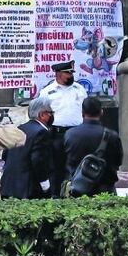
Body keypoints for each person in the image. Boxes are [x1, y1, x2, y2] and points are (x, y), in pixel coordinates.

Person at [37, 60, 87, 197]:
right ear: (58, 74)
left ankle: (77, 195)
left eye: (71, 73)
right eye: (68, 73)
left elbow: (85, 109)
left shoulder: (79, 89)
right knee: (56, 167)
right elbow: (41, 113)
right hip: (57, 134)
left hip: (77, 133)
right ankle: (56, 196)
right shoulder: (47, 92)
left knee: (78, 166)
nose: (71, 76)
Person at [64, 97, 123, 195]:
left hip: (77, 189)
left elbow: (65, 161)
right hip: (105, 191)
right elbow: (118, 161)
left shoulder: (70, 134)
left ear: (82, 113)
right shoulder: (112, 136)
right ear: (101, 112)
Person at [0, 97, 54, 199]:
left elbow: (5, 155)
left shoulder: (19, 128)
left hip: (9, 186)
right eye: (50, 113)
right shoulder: (41, 133)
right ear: (42, 115)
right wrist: (45, 186)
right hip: (28, 189)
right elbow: (38, 161)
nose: (52, 116)